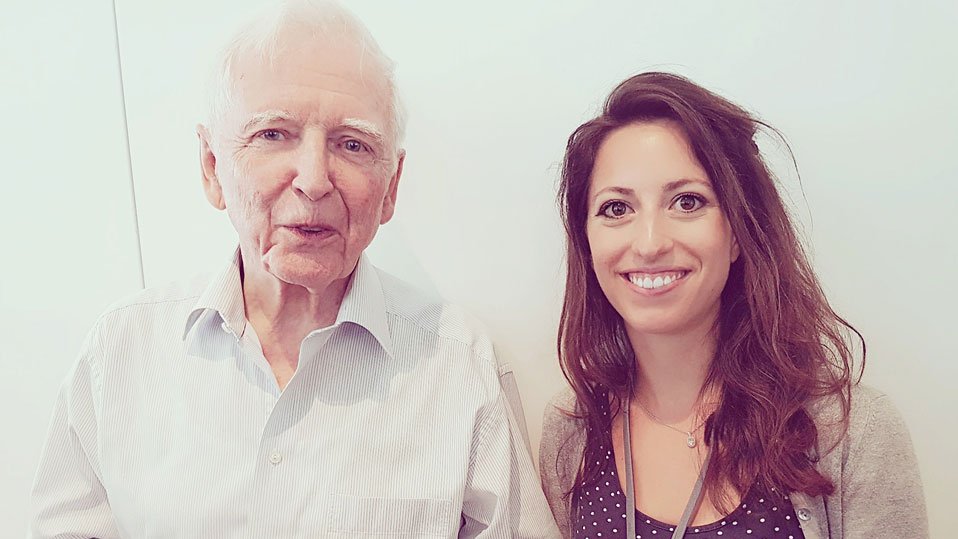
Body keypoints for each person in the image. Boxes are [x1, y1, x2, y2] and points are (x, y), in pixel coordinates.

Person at [29, 1, 558, 537]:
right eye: (274, 134)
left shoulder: (458, 361)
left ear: (391, 185)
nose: (313, 179)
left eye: (352, 144)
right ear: (212, 166)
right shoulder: (119, 353)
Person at [538, 72, 928, 538]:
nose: (648, 243)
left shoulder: (851, 432)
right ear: (586, 240)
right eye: (616, 209)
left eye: (687, 201)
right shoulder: (574, 427)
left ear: (739, 233)